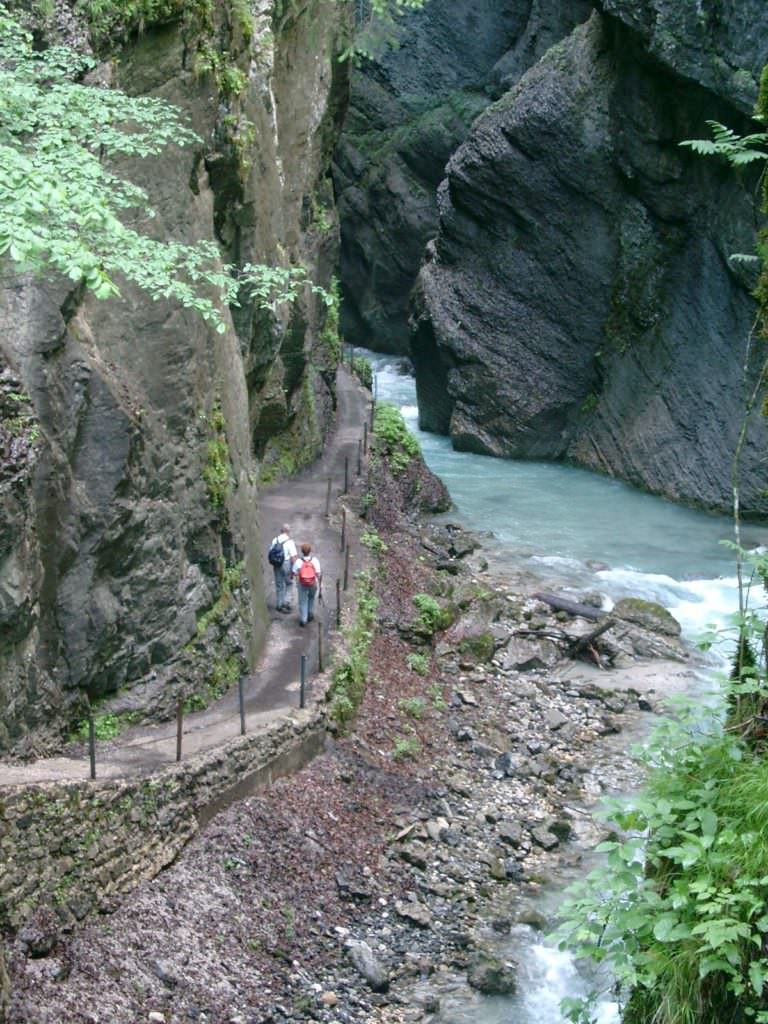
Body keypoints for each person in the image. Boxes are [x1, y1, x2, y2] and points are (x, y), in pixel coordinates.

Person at [292, 543, 322, 627]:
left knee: (303, 601)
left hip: (302, 584)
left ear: (302, 551)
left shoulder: (298, 561)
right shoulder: (315, 560)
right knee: (311, 598)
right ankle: (310, 614)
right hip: (313, 583)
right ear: (310, 551)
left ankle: (303, 619)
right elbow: (318, 573)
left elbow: (294, 572)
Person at [268, 524, 297, 612]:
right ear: (288, 532)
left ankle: (279, 604)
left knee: (279, 584)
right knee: (289, 584)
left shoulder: (275, 540)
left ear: (281, 531)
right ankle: (286, 602)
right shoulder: (290, 542)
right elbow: (293, 557)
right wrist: (295, 569)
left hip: (277, 564)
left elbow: (270, 551)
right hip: (286, 563)